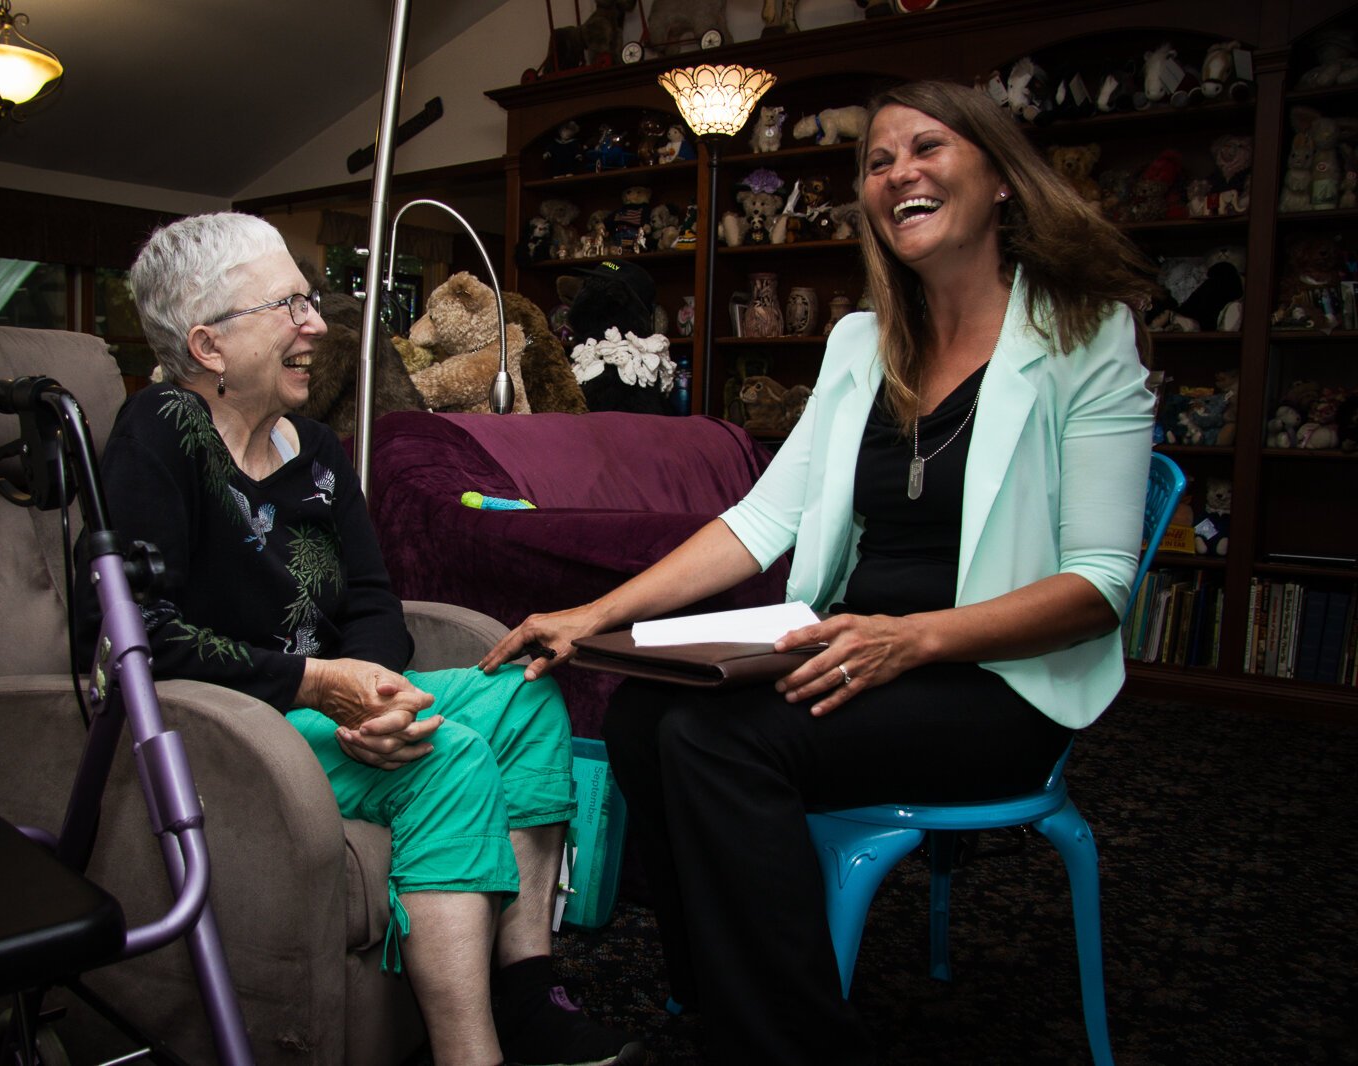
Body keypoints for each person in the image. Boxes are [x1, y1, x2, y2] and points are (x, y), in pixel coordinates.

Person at [480, 80, 1156, 1064]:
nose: (899, 175)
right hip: (853, 646)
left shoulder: (1083, 337)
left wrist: (913, 636)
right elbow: (761, 520)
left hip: (994, 681)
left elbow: (1099, 588)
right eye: (878, 161)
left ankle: (785, 1044)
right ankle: (714, 999)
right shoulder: (855, 343)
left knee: (718, 744)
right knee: (639, 716)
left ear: (1000, 178)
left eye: (927, 148)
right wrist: (591, 613)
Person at [77, 212, 644, 1066]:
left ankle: (525, 995)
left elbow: (375, 599)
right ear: (208, 345)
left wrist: (368, 692)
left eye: (308, 300)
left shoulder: (314, 448)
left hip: (323, 704)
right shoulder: (159, 433)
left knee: (523, 693)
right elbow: (134, 639)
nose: (316, 324)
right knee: (445, 755)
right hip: (225, 722)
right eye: (287, 306)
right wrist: (318, 685)